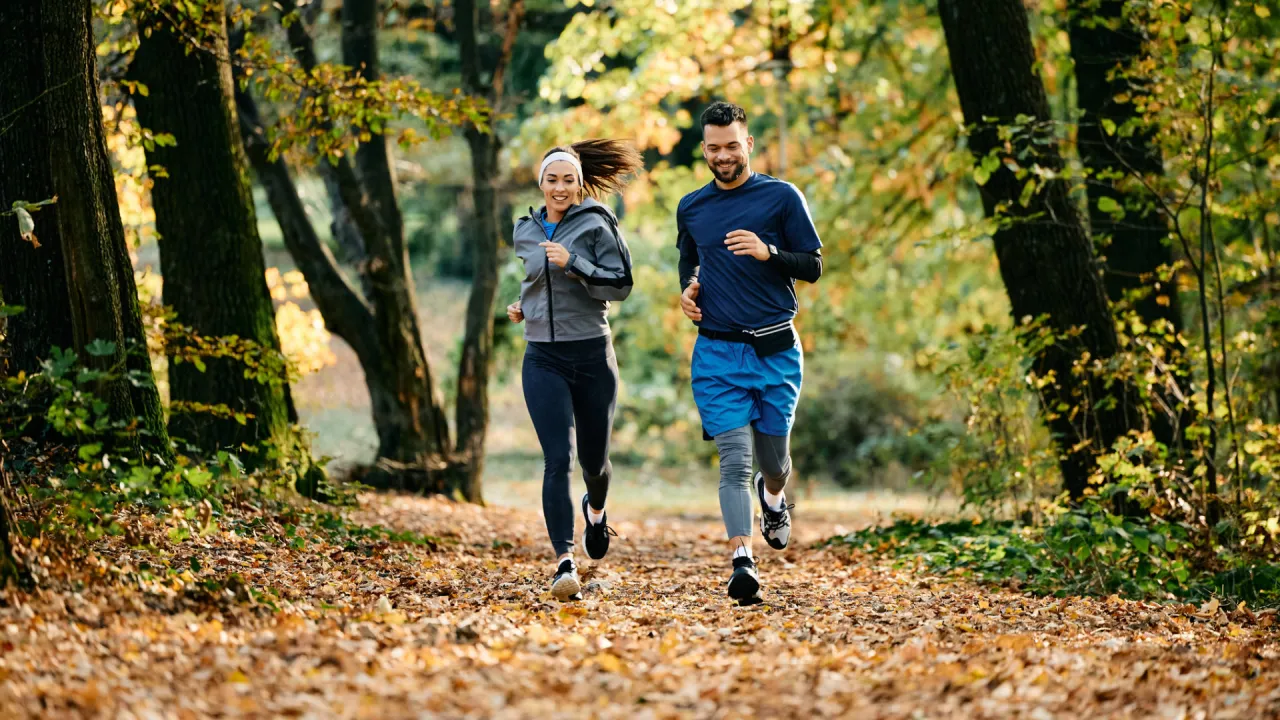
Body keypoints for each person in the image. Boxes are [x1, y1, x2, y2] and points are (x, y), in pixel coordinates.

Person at [676, 101, 823, 605]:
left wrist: (769, 253)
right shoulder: (692, 206)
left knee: (773, 461)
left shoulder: (781, 198)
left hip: (776, 349)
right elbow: (690, 260)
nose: (723, 156)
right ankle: (743, 561)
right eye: (714, 148)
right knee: (733, 461)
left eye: (732, 146)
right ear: (704, 149)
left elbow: (813, 265)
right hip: (717, 352)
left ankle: (775, 496)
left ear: (749, 144)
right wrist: (689, 291)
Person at [507, 139, 643, 601]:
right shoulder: (524, 229)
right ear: (539, 183)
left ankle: (597, 510)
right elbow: (533, 281)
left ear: (579, 182)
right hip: (542, 356)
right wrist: (523, 306)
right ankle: (564, 562)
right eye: (552, 179)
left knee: (594, 464)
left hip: (591, 355)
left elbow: (621, 284)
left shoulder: (598, 221)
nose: (560, 187)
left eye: (568, 179)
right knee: (556, 459)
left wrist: (576, 264)